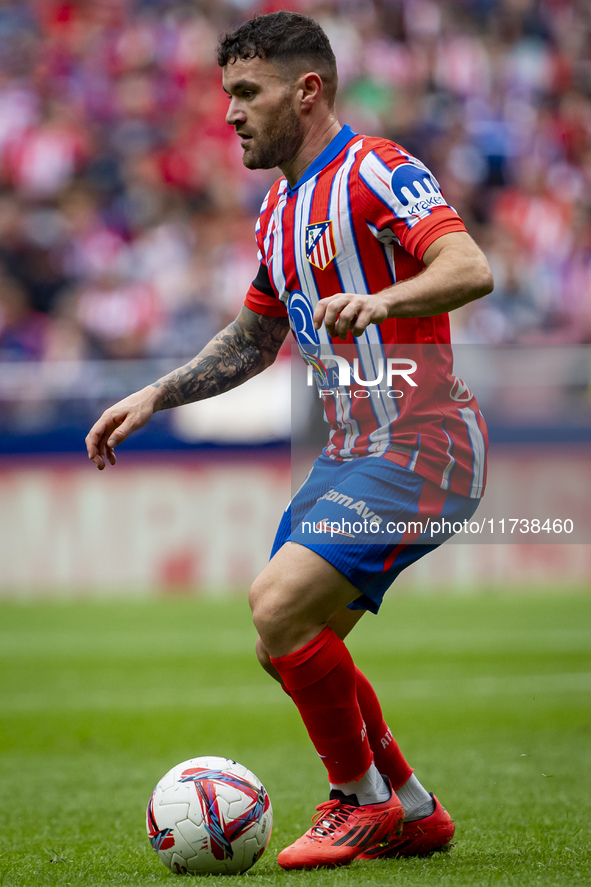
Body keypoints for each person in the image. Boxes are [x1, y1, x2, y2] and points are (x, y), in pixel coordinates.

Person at [86, 11, 494, 871]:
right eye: (226, 94)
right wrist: (156, 392)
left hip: (423, 435)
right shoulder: (279, 209)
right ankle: (413, 808)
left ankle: (360, 801)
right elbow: (253, 336)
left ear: (306, 90)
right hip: (353, 450)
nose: (229, 113)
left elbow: (469, 267)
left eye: (246, 93)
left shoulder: (375, 169)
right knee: (287, 646)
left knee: (277, 605)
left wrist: (386, 301)